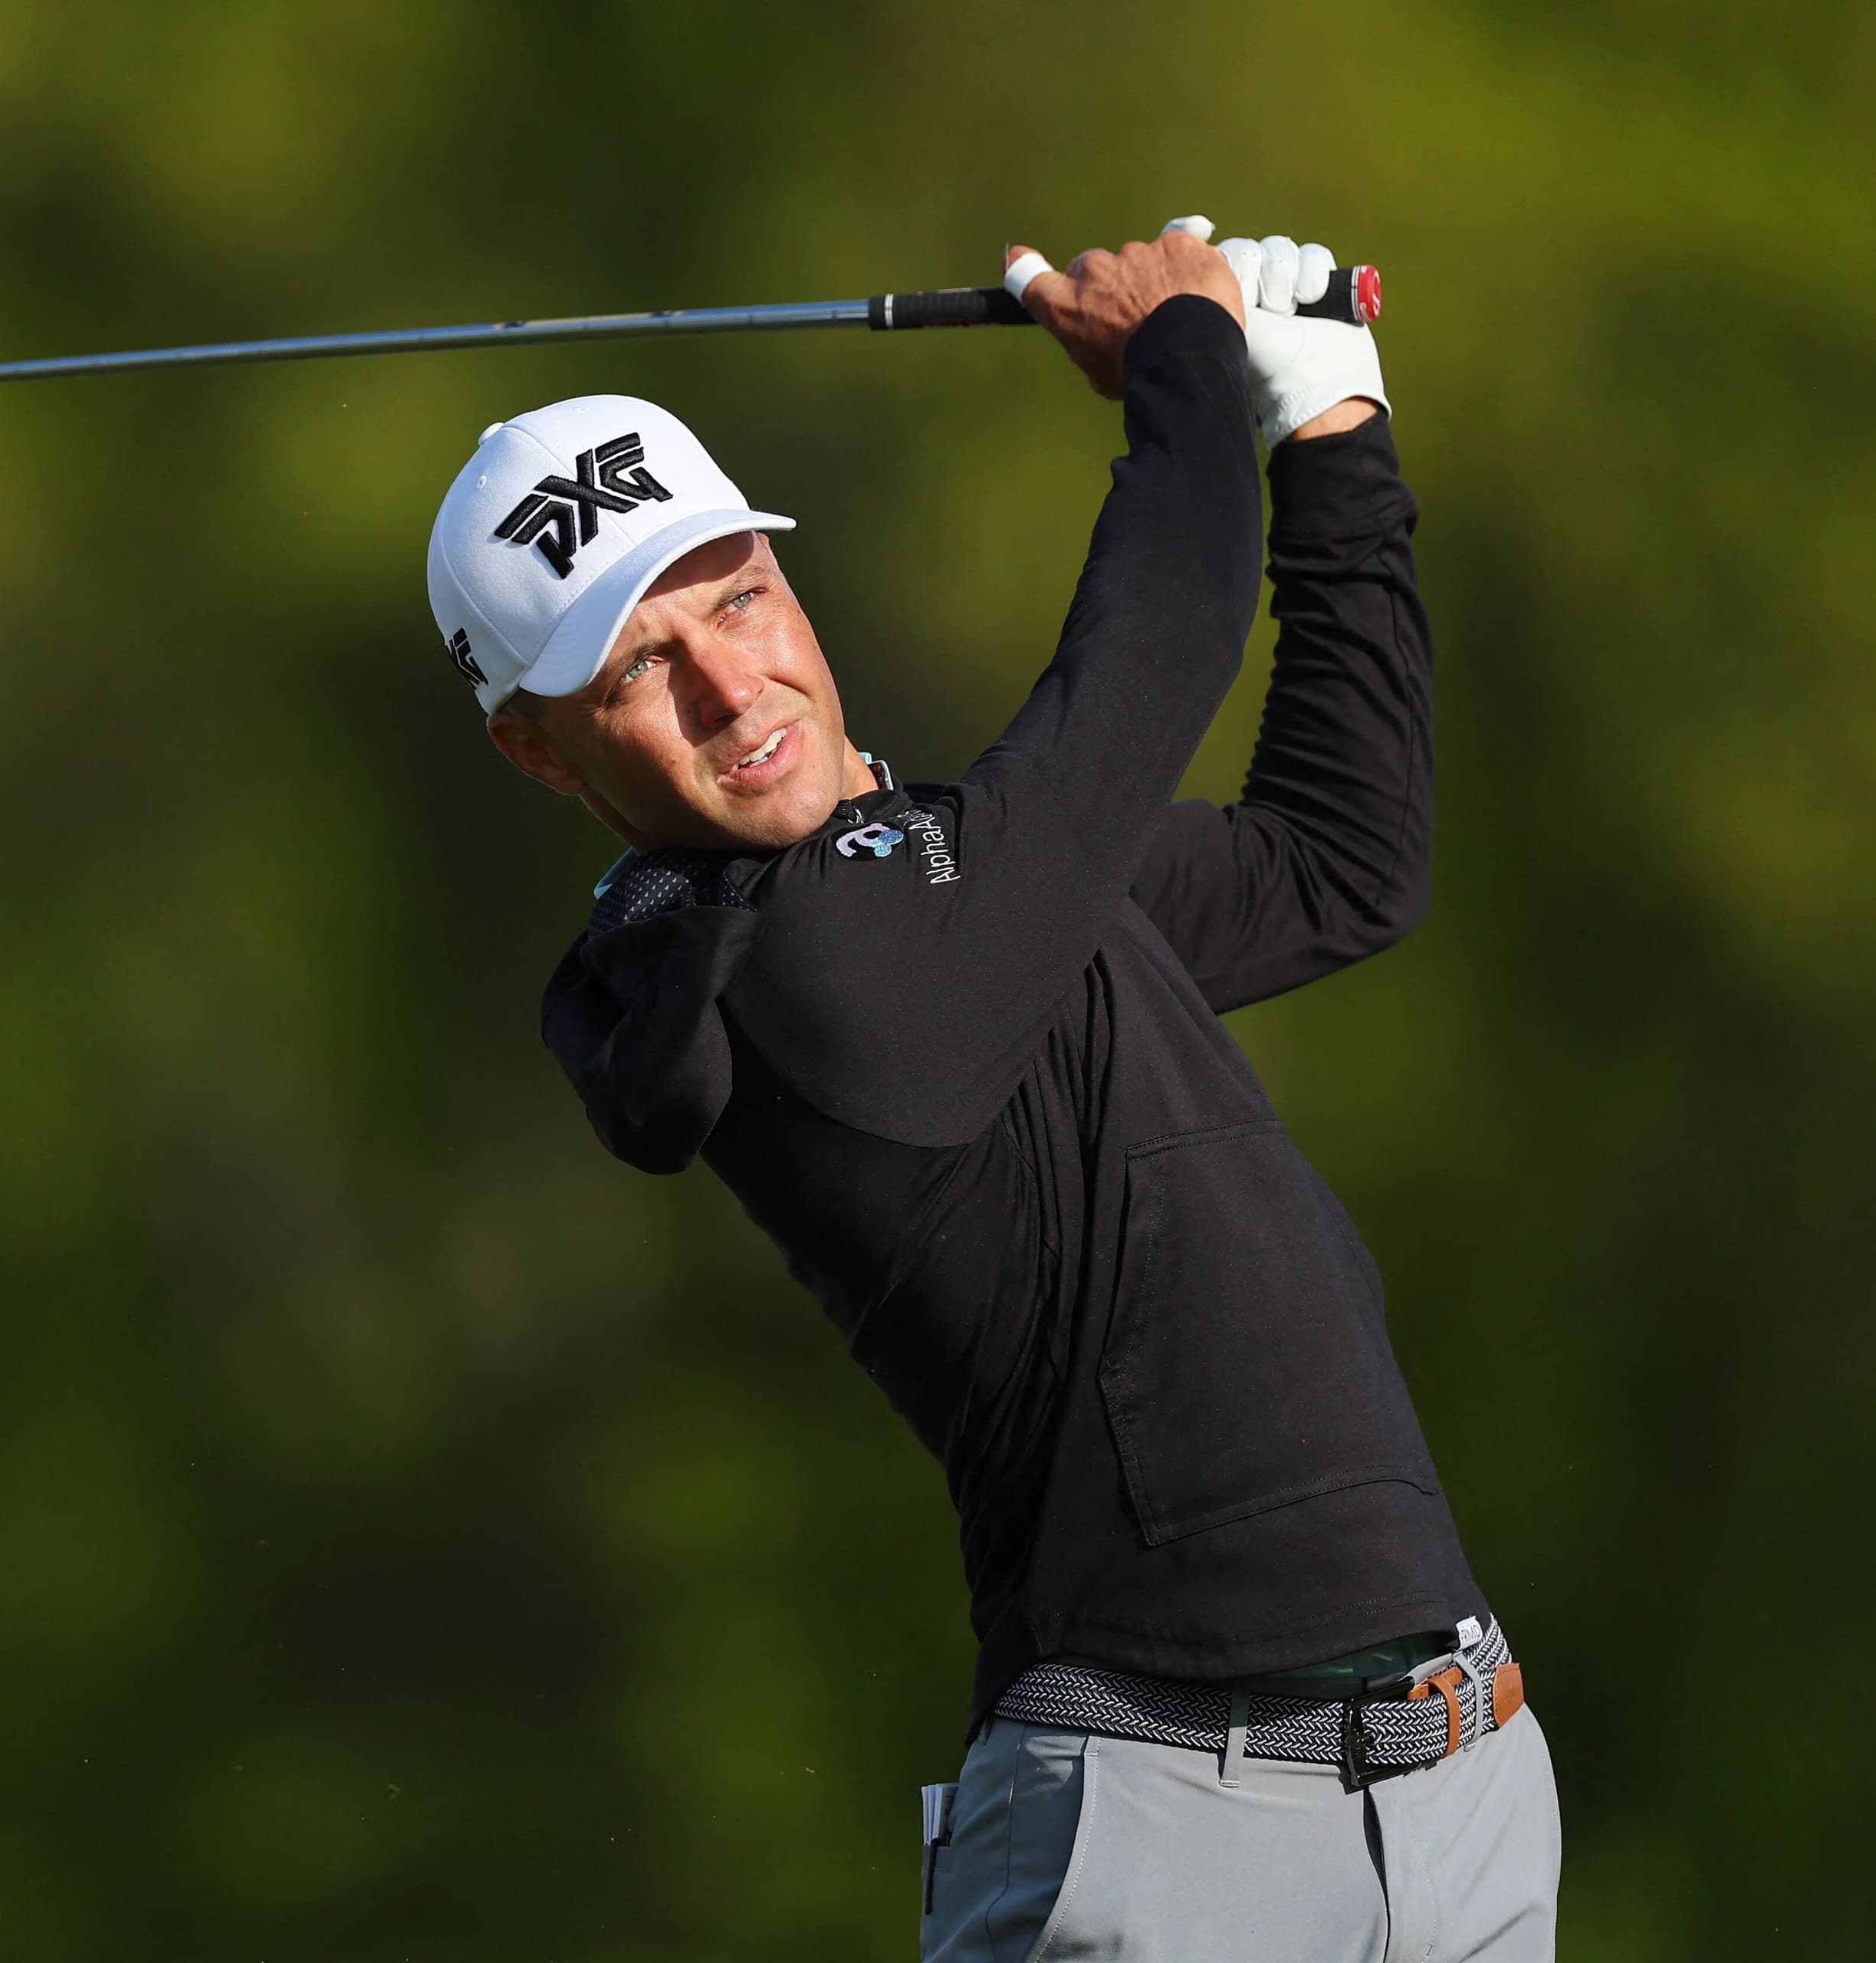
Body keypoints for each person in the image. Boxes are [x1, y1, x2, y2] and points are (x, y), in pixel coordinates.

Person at [424, 217, 1560, 1961]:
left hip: (1462, 1786)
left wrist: (1329, 425)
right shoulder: (777, 970)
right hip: (1164, 1829)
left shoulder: (971, 878)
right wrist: (1186, 352)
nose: (731, 683)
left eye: (736, 597)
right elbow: (1156, 647)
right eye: (640, 666)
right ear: (536, 748)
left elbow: (1342, 862)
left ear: (786, 579)